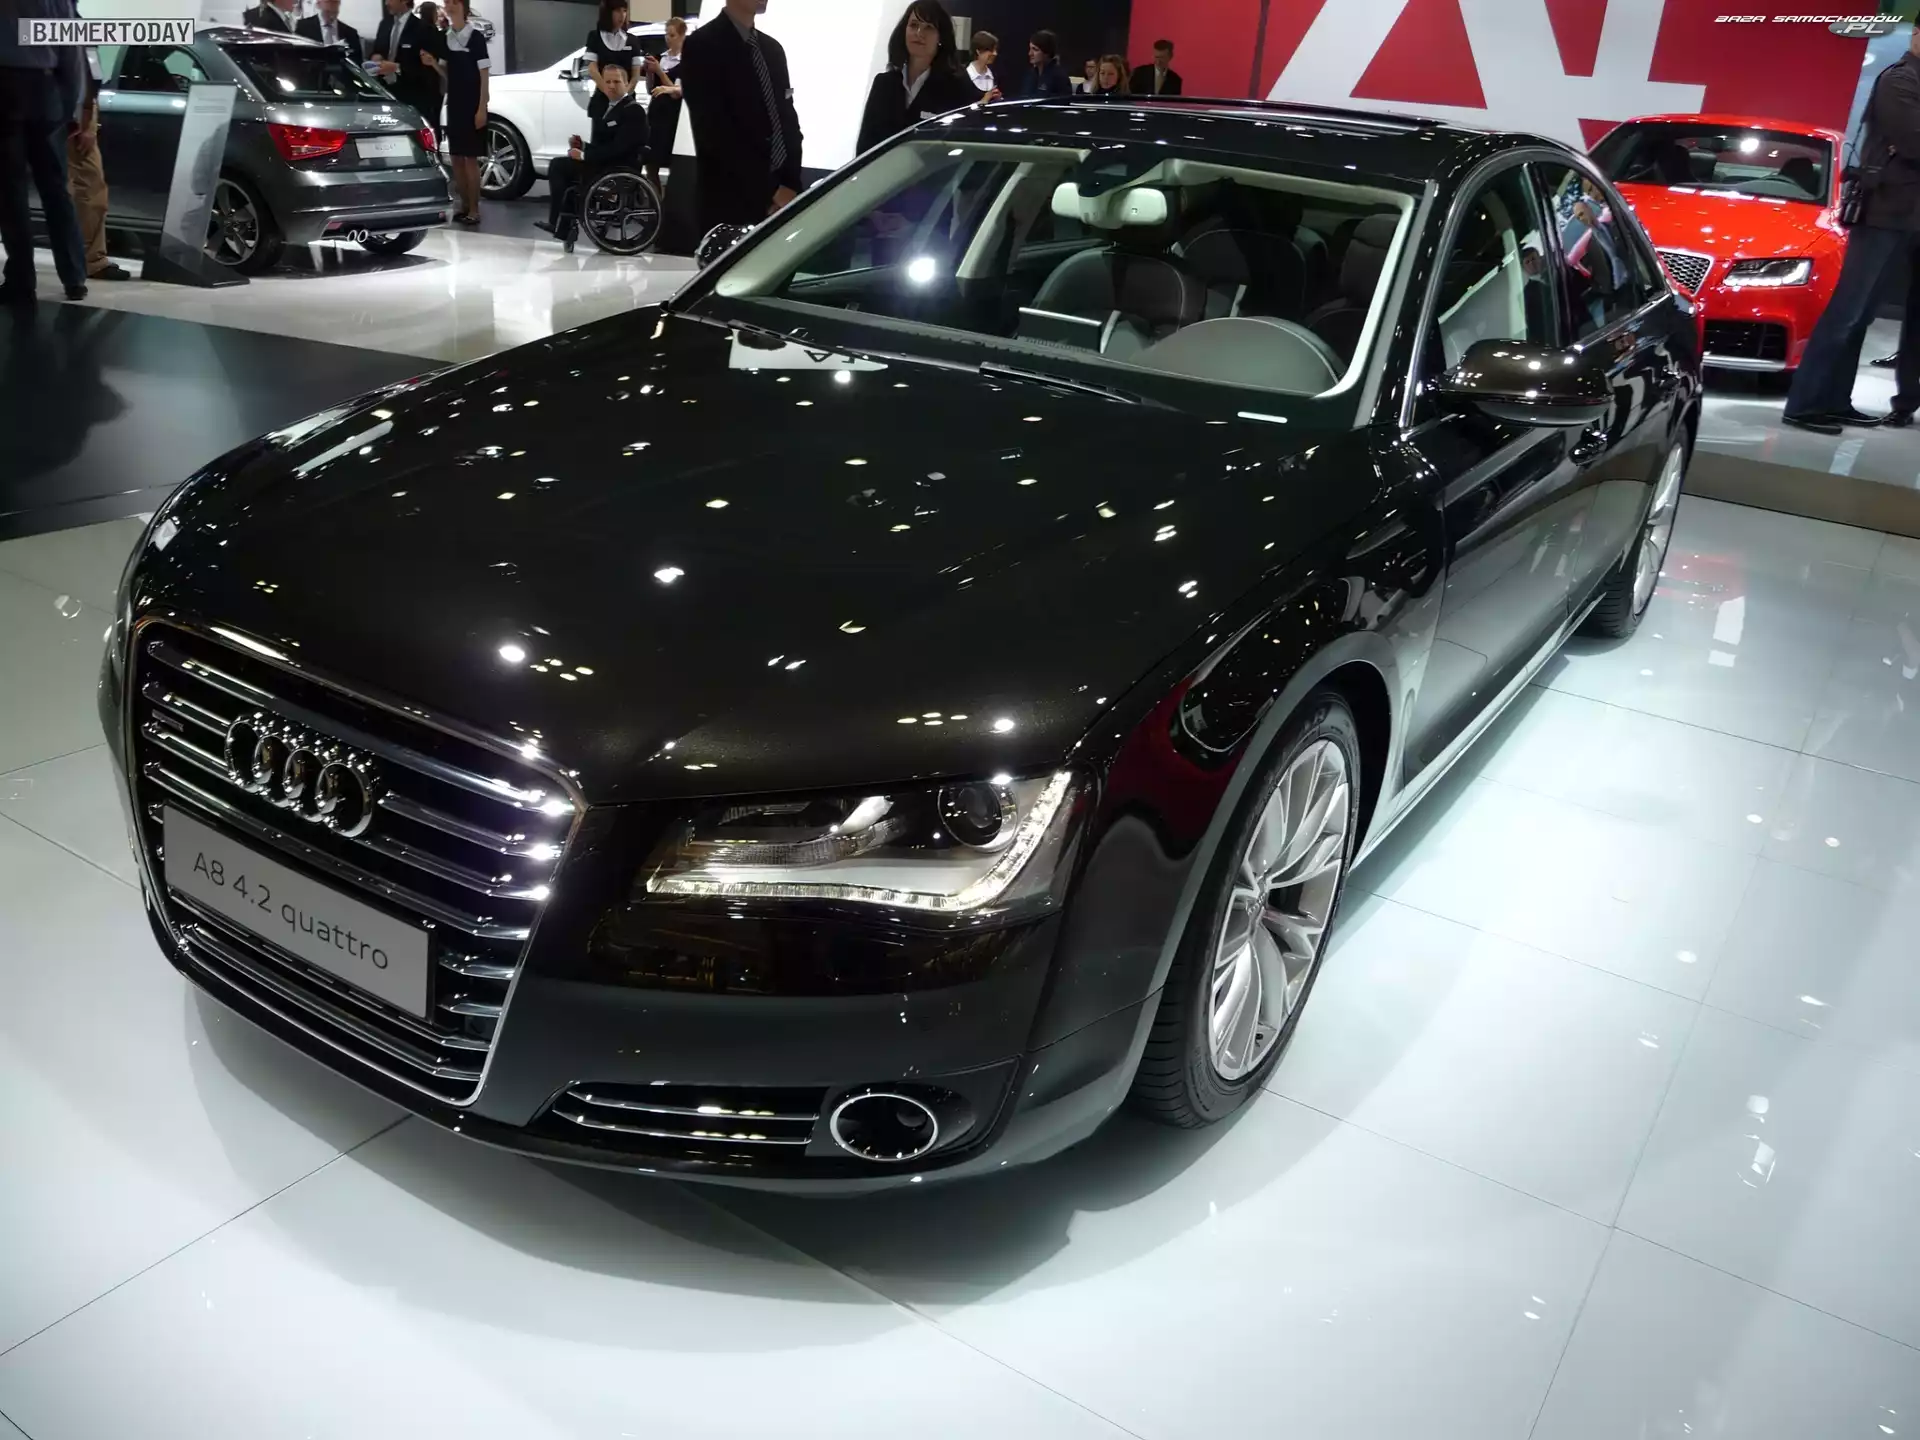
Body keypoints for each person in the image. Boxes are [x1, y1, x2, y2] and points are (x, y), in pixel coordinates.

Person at [1784, 28, 1920, 434]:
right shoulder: (1899, 79)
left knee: (1862, 316)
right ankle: (1805, 404)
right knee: (1846, 312)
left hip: (1905, 216)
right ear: (1916, 34)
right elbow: (1913, 140)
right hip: (1883, 213)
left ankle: (1834, 401)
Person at [678, 0, 804, 234]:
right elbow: (714, 132)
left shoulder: (772, 50)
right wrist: (772, 190)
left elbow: (787, 120)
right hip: (730, 200)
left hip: (783, 197)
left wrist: (791, 184)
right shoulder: (702, 45)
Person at [0, 0, 90, 303]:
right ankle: (74, 277)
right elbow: (71, 53)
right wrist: (71, 107)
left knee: (11, 192)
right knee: (55, 189)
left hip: (5, 87)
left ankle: (21, 279)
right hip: (47, 88)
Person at [539, 56, 647, 234]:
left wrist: (584, 156)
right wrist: (583, 146)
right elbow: (607, 144)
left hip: (616, 168)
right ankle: (562, 223)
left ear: (627, 83)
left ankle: (558, 223)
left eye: (616, 82)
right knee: (564, 167)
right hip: (606, 164)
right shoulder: (610, 108)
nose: (611, 86)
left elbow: (619, 149)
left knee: (558, 166)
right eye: (607, 82)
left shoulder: (633, 111)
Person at [854, 1, 977, 154]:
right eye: (913, 25)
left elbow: (961, 146)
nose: (919, 33)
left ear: (941, 38)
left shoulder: (957, 88)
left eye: (929, 27)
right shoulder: (883, 84)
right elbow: (864, 147)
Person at [65, 46, 125, 285]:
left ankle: (89, 260)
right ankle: (91, 260)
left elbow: (93, 74)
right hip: (68, 107)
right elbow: (93, 74)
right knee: (89, 187)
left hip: (61, 104)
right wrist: (86, 119)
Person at [434, 0, 489, 225]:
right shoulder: (445, 37)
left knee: (470, 158)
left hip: (472, 103)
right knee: (456, 157)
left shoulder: (475, 37)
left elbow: (484, 74)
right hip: (454, 103)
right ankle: (464, 205)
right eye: (447, 2)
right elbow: (448, 75)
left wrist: (482, 107)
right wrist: (433, 64)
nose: (450, 6)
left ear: (463, 7)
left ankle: (475, 209)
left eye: (454, 2)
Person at [369, 0, 438, 127]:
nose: (386, 3)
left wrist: (397, 68)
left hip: (412, 98)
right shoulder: (385, 24)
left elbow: (429, 70)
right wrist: (376, 57)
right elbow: (377, 50)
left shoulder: (424, 29)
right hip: (385, 94)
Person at [643, 14, 686, 190]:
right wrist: (650, 72)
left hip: (673, 118)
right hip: (656, 115)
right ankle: (656, 199)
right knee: (651, 163)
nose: (668, 38)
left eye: (672, 35)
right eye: (666, 34)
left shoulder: (686, 61)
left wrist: (660, 72)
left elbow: (676, 92)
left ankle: (673, 200)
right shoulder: (662, 58)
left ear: (682, 36)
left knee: (672, 163)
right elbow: (650, 89)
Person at [585, 0, 637, 127]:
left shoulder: (633, 40)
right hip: (602, 102)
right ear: (608, 13)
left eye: (624, 11)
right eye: (618, 11)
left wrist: (622, 97)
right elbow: (592, 69)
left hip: (627, 104)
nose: (622, 15)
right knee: (601, 135)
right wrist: (609, 92)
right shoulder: (595, 37)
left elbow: (635, 75)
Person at [297, 0, 364, 61]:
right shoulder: (303, 27)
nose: (331, 5)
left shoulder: (351, 33)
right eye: (328, 1)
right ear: (318, 4)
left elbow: (357, 62)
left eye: (335, 1)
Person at [1019, 30, 1070, 98]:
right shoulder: (1031, 74)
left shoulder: (1059, 77)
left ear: (1047, 52)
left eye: (1035, 49)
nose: (1030, 53)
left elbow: (1062, 101)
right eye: (1030, 49)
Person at [965, 30, 997, 96]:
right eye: (991, 50)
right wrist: (984, 100)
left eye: (995, 50)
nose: (995, 53)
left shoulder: (995, 74)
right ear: (978, 51)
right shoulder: (964, 76)